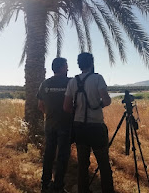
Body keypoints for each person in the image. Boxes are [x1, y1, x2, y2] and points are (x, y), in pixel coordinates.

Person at [64, 52, 114, 193]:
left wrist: (78, 110)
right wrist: (97, 105)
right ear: (91, 63)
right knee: (103, 164)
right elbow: (107, 100)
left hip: (79, 127)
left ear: (79, 65)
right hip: (96, 127)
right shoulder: (97, 78)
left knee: (83, 164)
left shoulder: (73, 82)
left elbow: (66, 107)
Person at [37, 57, 71, 193]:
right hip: (65, 124)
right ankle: (58, 186)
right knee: (62, 156)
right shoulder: (70, 82)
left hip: (49, 124)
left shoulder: (45, 84)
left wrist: (50, 114)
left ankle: (45, 184)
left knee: (49, 154)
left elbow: (40, 106)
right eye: (66, 66)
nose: (67, 69)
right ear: (62, 67)